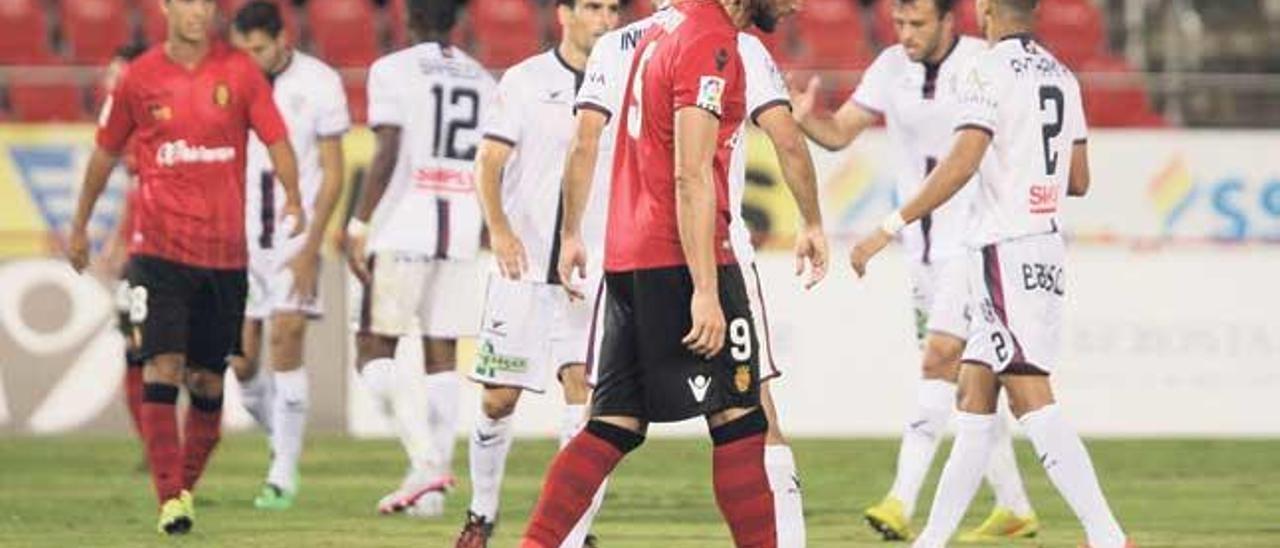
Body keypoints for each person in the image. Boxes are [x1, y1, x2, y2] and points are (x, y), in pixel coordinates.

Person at [518, 0, 818, 543]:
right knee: (742, 420)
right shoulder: (710, 39)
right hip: (686, 253)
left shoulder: (659, 29)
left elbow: (596, 141)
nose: (798, 4)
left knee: (612, 425)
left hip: (629, 255)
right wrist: (706, 289)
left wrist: (572, 235)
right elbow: (690, 173)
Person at [848, 0, 1132, 546]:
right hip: (1043, 244)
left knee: (1030, 396)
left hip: (1002, 247)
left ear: (984, 10)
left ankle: (1108, 536)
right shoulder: (1062, 75)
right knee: (974, 400)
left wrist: (888, 225)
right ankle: (932, 539)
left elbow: (961, 162)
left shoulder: (985, 69)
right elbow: (1078, 179)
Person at [790, 0, 1037, 541]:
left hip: (973, 243)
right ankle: (1015, 505)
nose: (906, 34)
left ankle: (901, 501)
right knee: (968, 377)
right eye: (899, 23)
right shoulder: (888, 67)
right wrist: (805, 119)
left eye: (918, 24)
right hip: (921, 252)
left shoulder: (984, 61)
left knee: (938, 361)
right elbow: (840, 133)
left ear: (952, 20)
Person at [67, 0, 301, 535]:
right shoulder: (140, 77)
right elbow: (104, 153)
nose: (199, 11)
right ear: (165, 7)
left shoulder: (240, 71)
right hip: (158, 251)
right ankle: (169, 497)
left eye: (206, 2)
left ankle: (182, 489)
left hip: (224, 256)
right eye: (187, 1)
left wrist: (293, 196)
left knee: (207, 381)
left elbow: (276, 137)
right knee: (161, 365)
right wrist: (80, 227)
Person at [454, 0, 622, 546]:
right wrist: (499, 229)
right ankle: (481, 513)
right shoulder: (526, 80)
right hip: (524, 267)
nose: (606, 19)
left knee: (584, 393)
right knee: (499, 399)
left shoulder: (627, 82)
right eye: (594, 7)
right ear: (564, 14)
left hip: (590, 271)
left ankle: (574, 530)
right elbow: (489, 164)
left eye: (614, 8)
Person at [343, 0, 493, 518]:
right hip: (460, 226)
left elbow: (386, 152)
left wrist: (359, 224)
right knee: (441, 356)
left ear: (407, 19)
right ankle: (430, 493)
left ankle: (426, 463)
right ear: (456, 20)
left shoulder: (392, 70)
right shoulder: (481, 78)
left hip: (405, 224)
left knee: (372, 350)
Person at [227, 0, 350, 511]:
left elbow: (334, 170)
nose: (249, 59)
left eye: (257, 48)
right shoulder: (230, 81)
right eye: (243, 50)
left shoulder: (319, 82)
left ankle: (281, 475)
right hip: (241, 239)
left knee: (286, 336)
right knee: (242, 362)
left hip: (295, 236)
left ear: (282, 39)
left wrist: (312, 246)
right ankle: (283, 443)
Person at [92, 41, 149, 469]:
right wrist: (116, 240)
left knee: (168, 356)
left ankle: (174, 444)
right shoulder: (128, 130)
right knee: (133, 348)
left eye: (119, 75)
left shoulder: (153, 126)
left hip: (162, 253)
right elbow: (134, 194)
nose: (110, 83)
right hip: (137, 253)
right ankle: (154, 444)